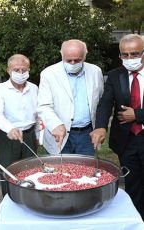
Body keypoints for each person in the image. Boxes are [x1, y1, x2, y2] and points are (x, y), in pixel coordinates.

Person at [91, 34, 144, 218]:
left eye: (135, 54)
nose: (129, 59)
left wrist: (137, 115)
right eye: (125, 55)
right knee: (133, 185)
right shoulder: (115, 75)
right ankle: (136, 221)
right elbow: (106, 102)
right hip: (126, 142)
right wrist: (100, 126)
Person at [37, 39, 104, 155]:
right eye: (68, 60)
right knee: (60, 170)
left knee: (86, 170)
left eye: (77, 60)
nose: (72, 63)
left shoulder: (95, 71)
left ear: (84, 56)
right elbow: (44, 105)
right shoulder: (48, 74)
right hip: (59, 133)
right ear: (62, 55)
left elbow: (101, 100)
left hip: (87, 134)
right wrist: (55, 124)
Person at [0, 54, 38, 197]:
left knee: (31, 170)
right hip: (8, 135)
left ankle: (30, 200)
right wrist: (9, 128)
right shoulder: (0, 89)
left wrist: (37, 135)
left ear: (29, 70)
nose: (21, 73)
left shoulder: (34, 88)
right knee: (8, 171)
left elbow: (38, 114)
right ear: (8, 70)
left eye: (24, 70)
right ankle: (9, 200)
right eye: (16, 70)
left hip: (29, 134)